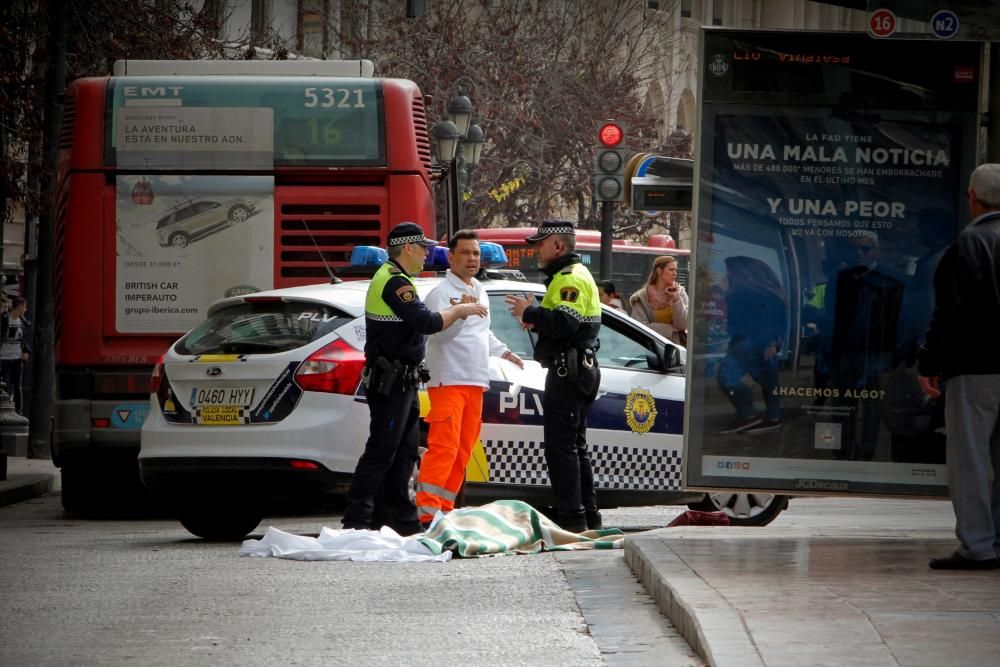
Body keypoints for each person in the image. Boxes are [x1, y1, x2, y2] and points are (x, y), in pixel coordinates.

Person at [342, 222, 487, 535]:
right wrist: (460, 312)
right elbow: (426, 322)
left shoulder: (399, 279)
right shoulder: (393, 281)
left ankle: (400, 521)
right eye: (423, 248)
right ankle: (356, 520)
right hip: (390, 380)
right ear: (407, 248)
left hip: (403, 381)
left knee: (404, 453)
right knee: (382, 450)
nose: (427, 254)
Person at [918, 163, 1000, 570]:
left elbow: (949, 312)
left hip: (976, 367)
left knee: (969, 458)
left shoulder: (969, 243)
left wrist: (930, 361)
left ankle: (978, 546)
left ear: (973, 197)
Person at [415, 230, 525, 527]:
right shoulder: (440, 293)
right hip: (448, 380)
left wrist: (505, 353)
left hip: (475, 381)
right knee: (444, 449)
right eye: (465, 253)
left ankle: (445, 510)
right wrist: (459, 312)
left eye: (476, 253)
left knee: (462, 451)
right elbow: (436, 332)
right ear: (451, 257)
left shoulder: (479, 288)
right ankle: (427, 512)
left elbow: (482, 333)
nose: (472, 258)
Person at [506, 220, 602, 533]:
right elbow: (564, 325)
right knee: (575, 447)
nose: (536, 250)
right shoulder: (574, 275)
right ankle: (587, 516)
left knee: (562, 449)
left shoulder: (567, 278)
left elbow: (564, 323)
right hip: (576, 368)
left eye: (540, 244)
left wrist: (530, 313)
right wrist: (536, 321)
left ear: (558, 246)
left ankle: (572, 519)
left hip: (568, 371)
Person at [716, 256, 787, 435]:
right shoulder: (766, 291)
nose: (728, 275)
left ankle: (748, 416)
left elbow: (767, 318)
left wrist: (770, 342)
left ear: (741, 272)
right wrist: (773, 342)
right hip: (758, 341)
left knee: (726, 377)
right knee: (768, 380)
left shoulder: (744, 292)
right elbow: (776, 318)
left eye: (730, 271)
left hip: (750, 341)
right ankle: (772, 418)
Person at [629, 255, 688, 345]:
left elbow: (683, 324)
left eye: (676, 270)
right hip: (653, 348)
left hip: (678, 349)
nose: (675, 273)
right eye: (671, 270)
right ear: (659, 271)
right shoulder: (643, 297)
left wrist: (676, 300)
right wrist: (670, 329)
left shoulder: (680, 293)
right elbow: (639, 327)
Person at [1, 296, 30, 414]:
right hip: (4, 358)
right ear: (19, 306)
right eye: (24, 307)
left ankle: (18, 411)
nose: (25, 309)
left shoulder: (22, 321)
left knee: (18, 386)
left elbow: (24, 339)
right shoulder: (4, 319)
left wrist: (26, 352)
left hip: (18, 358)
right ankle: (6, 411)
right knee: (7, 386)